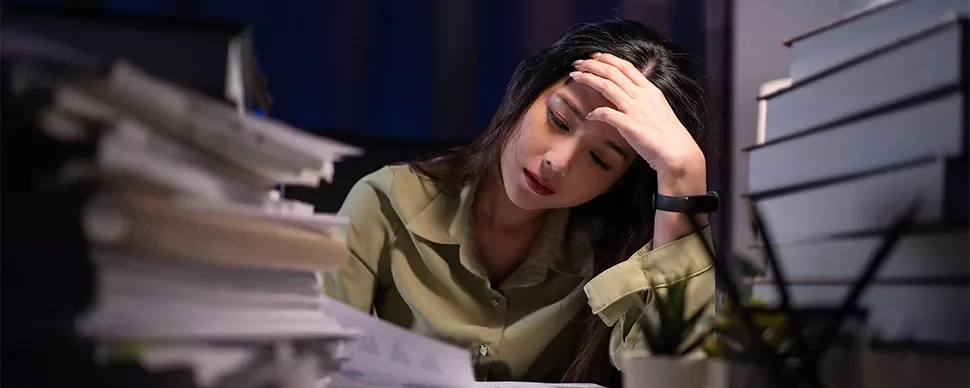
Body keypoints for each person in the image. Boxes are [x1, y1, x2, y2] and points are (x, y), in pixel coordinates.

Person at [324, 19, 716, 386]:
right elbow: (308, 365)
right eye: (559, 120)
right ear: (526, 91)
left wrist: (683, 173)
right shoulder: (384, 202)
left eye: (601, 160)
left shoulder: (614, 254)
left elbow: (677, 378)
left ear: (618, 181)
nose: (558, 162)